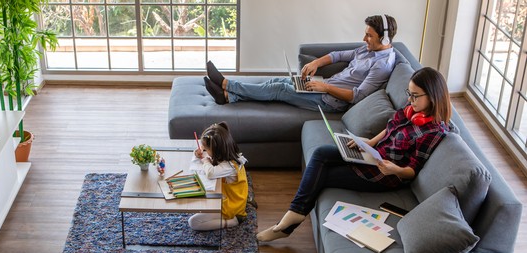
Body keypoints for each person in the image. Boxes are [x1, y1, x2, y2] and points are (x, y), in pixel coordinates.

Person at [256, 67, 452, 241]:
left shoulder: (433, 132)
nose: (410, 99)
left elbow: (412, 170)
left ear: (433, 96)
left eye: (415, 95)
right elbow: (389, 128)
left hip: (383, 175)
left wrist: (394, 169)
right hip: (372, 154)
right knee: (320, 153)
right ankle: (292, 217)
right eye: (409, 93)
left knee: (322, 176)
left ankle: (289, 222)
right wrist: (369, 142)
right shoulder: (411, 110)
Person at [204, 14, 397, 113]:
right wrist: (316, 63)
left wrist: (325, 87)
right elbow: (339, 55)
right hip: (323, 88)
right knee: (276, 82)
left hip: (331, 102)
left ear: (385, 39)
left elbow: (356, 96)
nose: (364, 38)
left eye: (369, 35)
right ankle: (229, 98)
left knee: (279, 88)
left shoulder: (382, 65)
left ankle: (227, 84)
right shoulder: (368, 48)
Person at [188, 122, 249, 231]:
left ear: (217, 150)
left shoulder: (230, 166)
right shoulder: (228, 155)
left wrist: (205, 160)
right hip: (226, 196)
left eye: (206, 149)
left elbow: (211, 173)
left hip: (231, 205)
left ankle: (232, 222)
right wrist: (199, 154)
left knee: (194, 222)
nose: (204, 150)